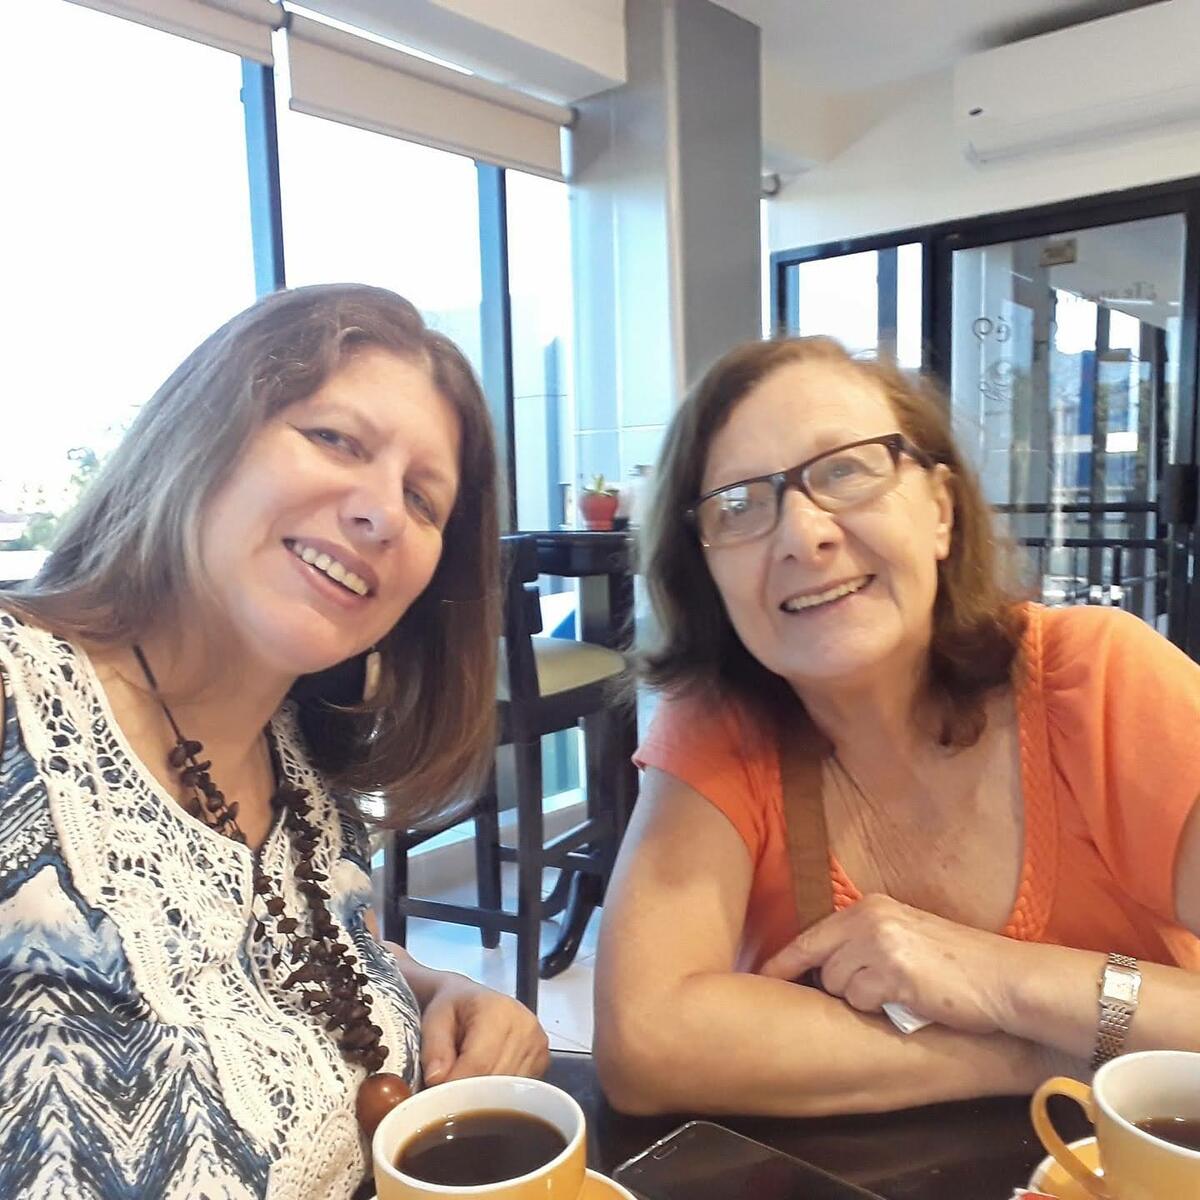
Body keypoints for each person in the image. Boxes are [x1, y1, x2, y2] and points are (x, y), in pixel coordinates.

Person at [0, 284, 548, 1199]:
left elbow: (263, 957)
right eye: (335, 438)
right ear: (204, 434)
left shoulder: (309, 774)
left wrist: (431, 990)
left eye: (423, 499)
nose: (382, 512)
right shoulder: (19, 698)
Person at [594, 336, 1200, 1117]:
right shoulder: (721, 725)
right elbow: (647, 1041)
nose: (804, 535)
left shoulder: (1100, 678)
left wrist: (1000, 979)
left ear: (941, 512)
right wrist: (1035, 1052)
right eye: (738, 506)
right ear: (708, 575)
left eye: (846, 470)